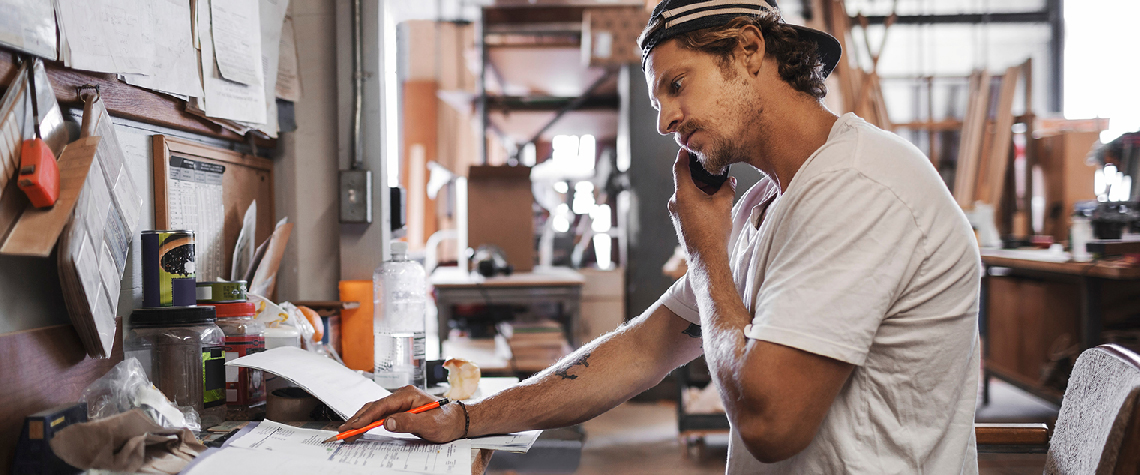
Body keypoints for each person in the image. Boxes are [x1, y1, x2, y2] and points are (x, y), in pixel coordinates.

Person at [341, 0, 982, 472]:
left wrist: (706, 255)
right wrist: (468, 416)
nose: (667, 119)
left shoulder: (860, 188)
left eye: (678, 86)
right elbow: (642, 351)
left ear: (749, 52)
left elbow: (771, 423)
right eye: (657, 103)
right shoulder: (766, 201)